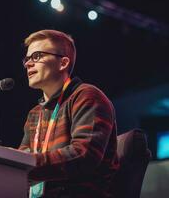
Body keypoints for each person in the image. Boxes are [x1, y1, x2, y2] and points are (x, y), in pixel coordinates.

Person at [19, 29, 119, 198]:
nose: (28, 63)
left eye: (36, 56)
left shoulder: (87, 96)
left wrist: (22, 162)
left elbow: (84, 155)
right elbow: (23, 160)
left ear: (63, 63)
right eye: (27, 59)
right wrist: (11, 162)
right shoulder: (34, 114)